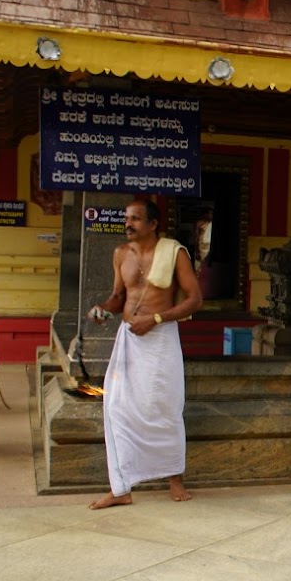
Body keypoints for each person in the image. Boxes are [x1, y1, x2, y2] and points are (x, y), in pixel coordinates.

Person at [87, 199, 203, 509]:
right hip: (128, 338)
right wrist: (103, 311)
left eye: (136, 219)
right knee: (116, 408)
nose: (129, 223)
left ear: (153, 224)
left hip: (160, 337)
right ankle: (121, 487)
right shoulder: (121, 254)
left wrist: (155, 319)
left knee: (164, 407)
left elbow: (194, 300)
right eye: (127, 218)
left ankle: (174, 477)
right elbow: (117, 297)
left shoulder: (174, 253)